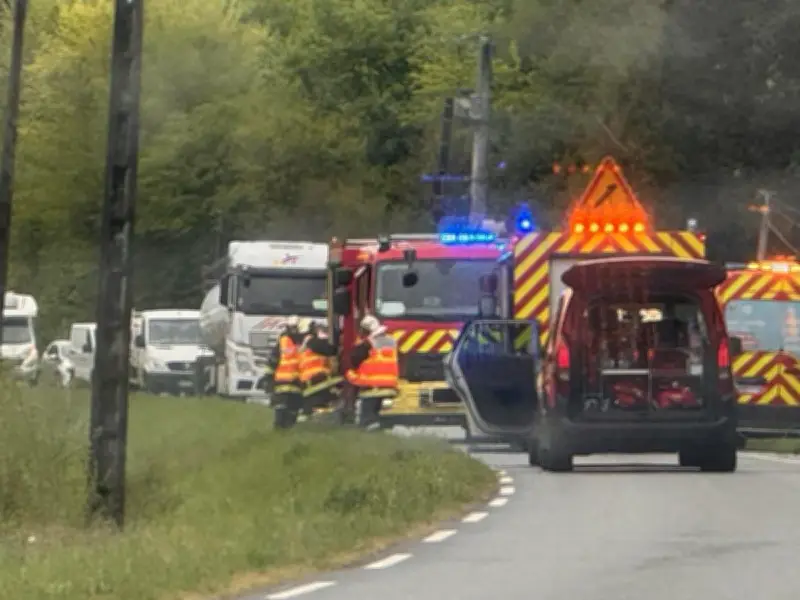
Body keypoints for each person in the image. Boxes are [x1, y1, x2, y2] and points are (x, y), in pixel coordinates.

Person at [345, 314, 399, 430]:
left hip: (371, 387)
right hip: (390, 386)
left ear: (366, 330)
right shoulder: (392, 341)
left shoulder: (367, 344)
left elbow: (354, 359)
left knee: (366, 420)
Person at [298, 319, 342, 421]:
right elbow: (329, 350)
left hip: (307, 381)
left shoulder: (304, 344)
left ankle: (307, 416)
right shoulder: (312, 341)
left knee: (311, 403)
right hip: (318, 378)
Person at [267, 315, 304, 429]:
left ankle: (286, 428)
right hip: (285, 380)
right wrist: (268, 377)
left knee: (292, 408)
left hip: (296, 381)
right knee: (281, 406)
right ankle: (280, 427)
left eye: (295, 328)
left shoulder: (304, 341)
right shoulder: (286, 341)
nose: (293, 330)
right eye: (292, 328)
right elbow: (274, 359)